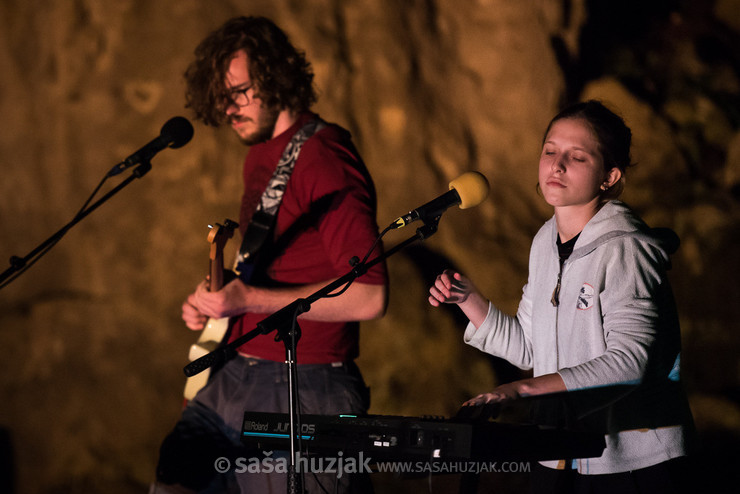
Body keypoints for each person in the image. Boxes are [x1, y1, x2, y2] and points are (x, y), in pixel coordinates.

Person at [153, 16, 388, 493]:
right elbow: (266, 271)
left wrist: (248, 300)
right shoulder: (260, 155)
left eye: (239, 91)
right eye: (221, 95)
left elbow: (370, 297)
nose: (229, 107)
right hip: (234, 370)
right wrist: (215, 300)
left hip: (304, 383)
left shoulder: (324, 155)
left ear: (277, 77)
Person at [429, 100, 695, 493]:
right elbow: (530, 350)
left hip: (632, 462)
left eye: (577, 156)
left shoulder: (626, 248)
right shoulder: (544, 242)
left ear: (609, 177)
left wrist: (519, 389)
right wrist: (470, 301)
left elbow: (629, 362)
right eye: (550, 151)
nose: (557, 164)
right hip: (560, 452)